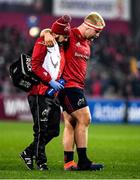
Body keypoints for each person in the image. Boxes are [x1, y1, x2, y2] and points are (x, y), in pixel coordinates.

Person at [41, 12, 106, 171]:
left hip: (77, 87)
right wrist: (47, 33)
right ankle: (83, 161)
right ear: (89, 26)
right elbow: (49, 32)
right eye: (96, 31)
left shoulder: (86, 41)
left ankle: (69, 163)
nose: (97, 35)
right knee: (85, 118)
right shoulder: (70, 34)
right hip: (68, 86)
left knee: (71, 123)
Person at [19, 15, 71, 171]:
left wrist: (59, 81)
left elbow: (57, 68)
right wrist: (50, 80)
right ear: (56, 34)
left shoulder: (60, 46)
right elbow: (35, 65)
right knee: (41, 129)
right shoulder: (43, 42)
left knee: (54, 130)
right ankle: (41, 162)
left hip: (52, 93)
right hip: (39, 92)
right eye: (64, 35)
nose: (66, 38)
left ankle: (28, 152)